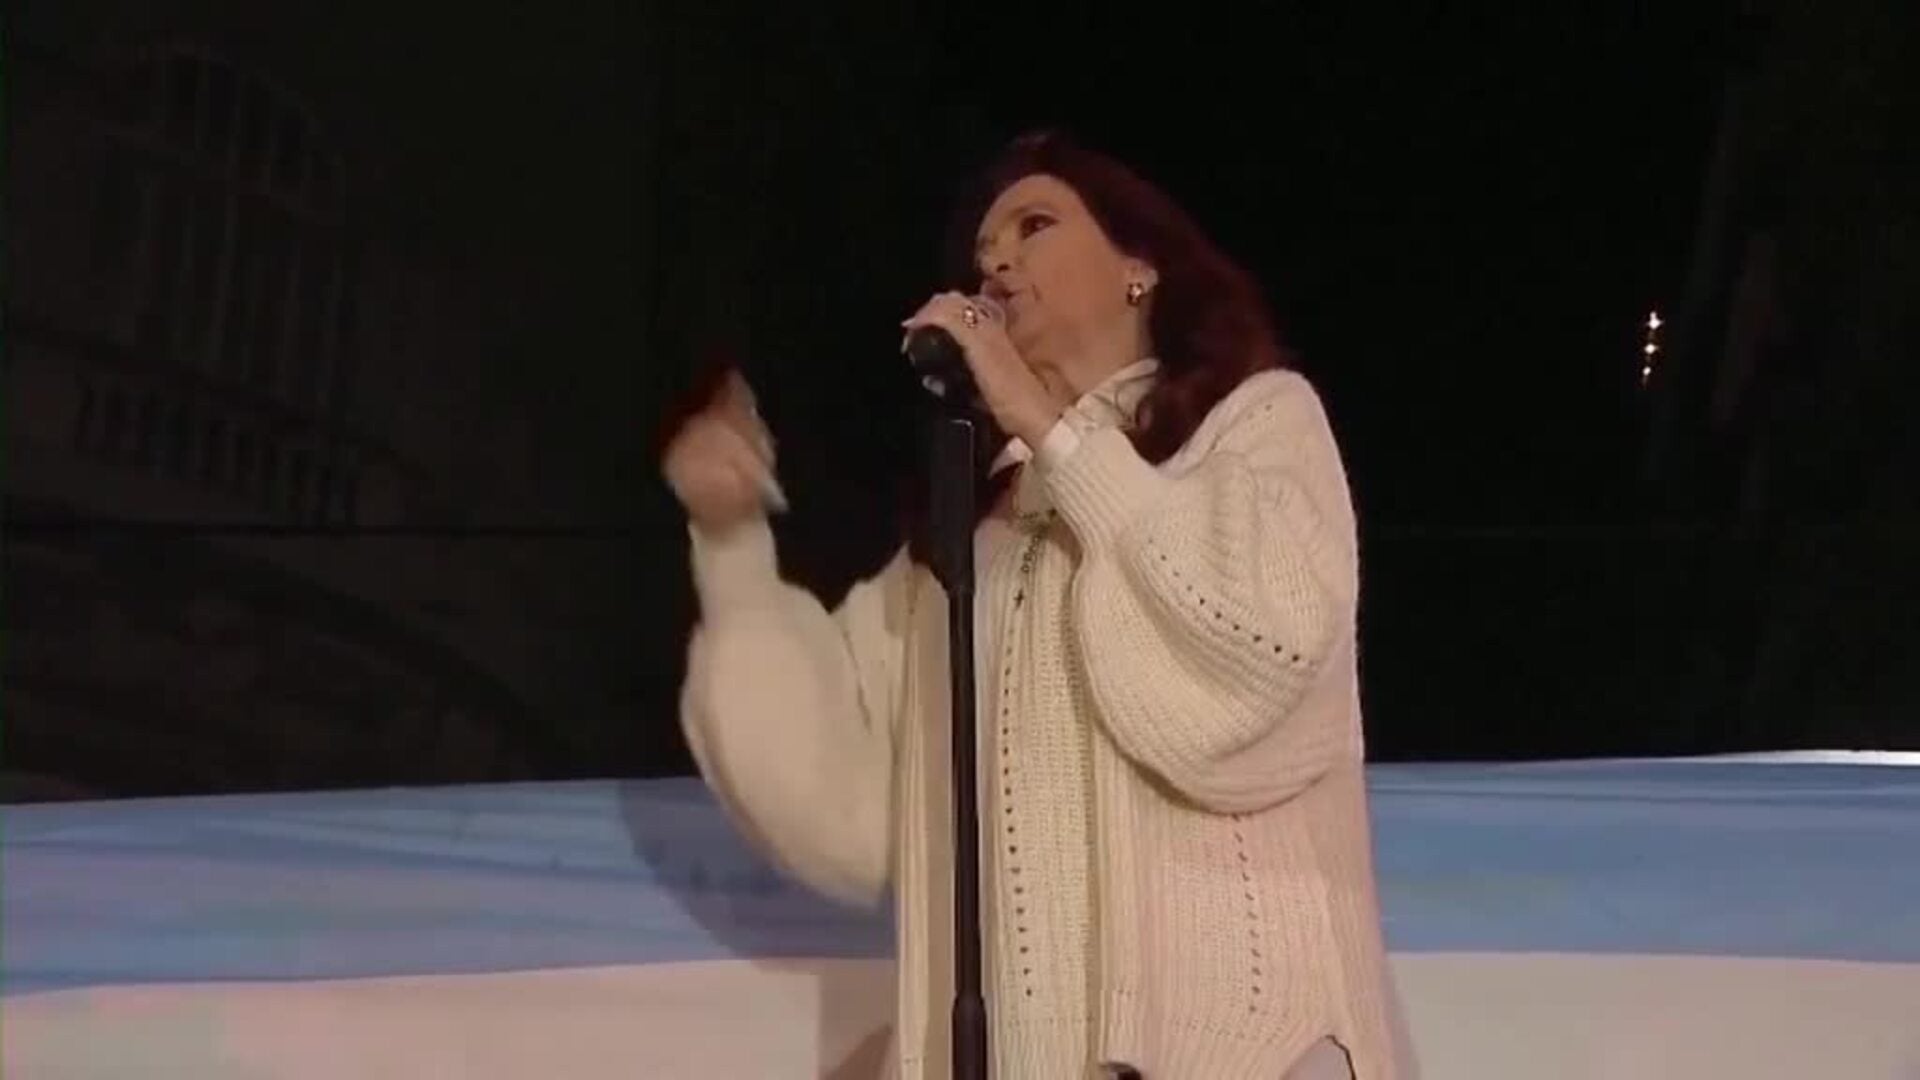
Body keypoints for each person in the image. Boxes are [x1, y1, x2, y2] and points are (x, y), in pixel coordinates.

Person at [663, 131, 1415, 1079]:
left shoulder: (1254, 426)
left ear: (1141, 267)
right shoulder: (971, 541)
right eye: (983, 253)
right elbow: (834, 795)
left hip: (1245, 1054)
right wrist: (730, 540)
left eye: (1035, 226)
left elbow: (1261, 647)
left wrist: (1053, 430)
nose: (998, 263)